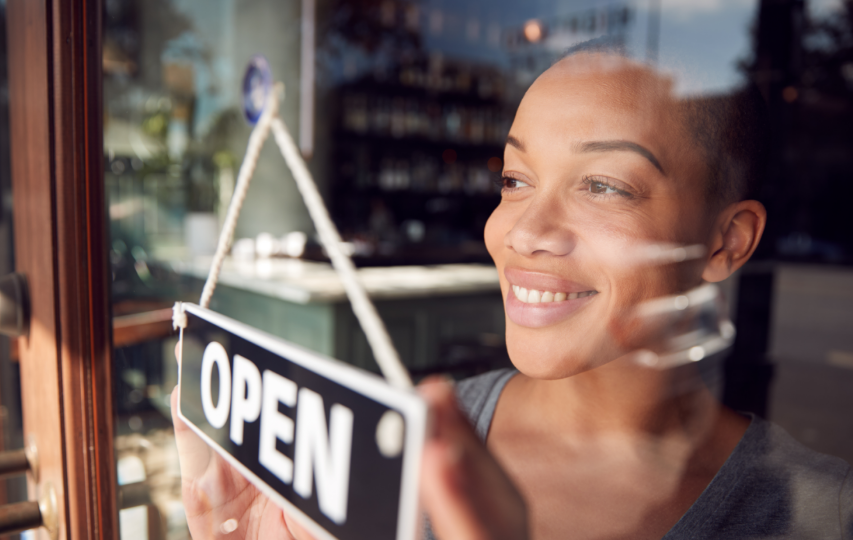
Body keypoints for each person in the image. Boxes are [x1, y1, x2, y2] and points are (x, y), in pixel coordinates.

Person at [171, 46, 853, 539]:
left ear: (726, 242)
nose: (522, 232)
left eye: (604, 186)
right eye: (515, 179)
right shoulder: (393, 447)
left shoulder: (822, 515)